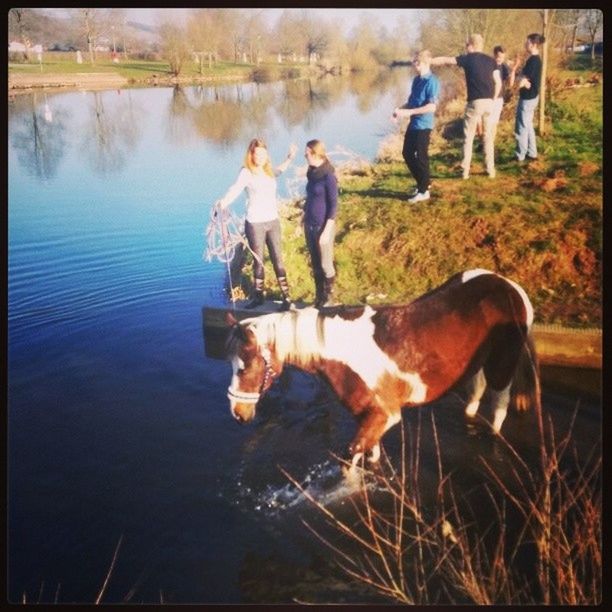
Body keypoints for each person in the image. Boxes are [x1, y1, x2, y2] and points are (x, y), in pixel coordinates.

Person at [217, 138, 297, 310]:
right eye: (257, 153)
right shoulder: (246, 172)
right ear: (251, 155)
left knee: (278, 260)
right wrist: (222, 203)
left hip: (273, 221)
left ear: (266, 154)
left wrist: (289, 158)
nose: (260, 156)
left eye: (263, 153)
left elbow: (280, 170)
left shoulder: (269, 171)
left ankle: (287, 298)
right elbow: (235, 189)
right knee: (258, 261)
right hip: (255, 223)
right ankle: (258, 297)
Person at [431, 33, 501, 179]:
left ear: (471, 45)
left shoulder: (467, 59)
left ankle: (465, 171)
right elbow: (498, 82)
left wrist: (430, 61)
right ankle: (490, 170)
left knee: (468, 137)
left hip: (474, 102)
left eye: (467, 45)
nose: (465, 47)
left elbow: (446, 60)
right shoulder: (491, 60)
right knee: (488, 137)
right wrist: (493, 99)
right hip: (489, 102)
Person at [393, 49, 440, 203]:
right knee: (406, 153)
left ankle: (424, 191)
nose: (414, 65)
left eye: (417, 62)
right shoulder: (416, 80)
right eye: (414, 62)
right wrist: (399, 110)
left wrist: (410, 112)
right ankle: (424, 183)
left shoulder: (432, 81)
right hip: (413, 124)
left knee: (421, 157)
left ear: (425, 63)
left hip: (424, 125)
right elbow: (411, 102)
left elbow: (432, 107)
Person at [303, 139, 338, 308]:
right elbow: (310, 198)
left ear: (315, 153)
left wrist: (326, 231)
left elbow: (333, 205)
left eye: (307, 153)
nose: (305, 156)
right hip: (309, 224)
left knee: (325, 264)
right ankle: (319, 298)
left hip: (323, 226)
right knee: (315, 264)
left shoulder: (328, 176)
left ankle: (329, 298)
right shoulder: (311, 173)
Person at [510, 33, 545, 162]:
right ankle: (532, 153)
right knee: (528, 125)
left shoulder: (534, 61)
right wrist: (521, 78)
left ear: (534, 44)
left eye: (528, 42)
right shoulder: (533, 59)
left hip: (527, 99)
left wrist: (518, 83)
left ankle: (520, 155)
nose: (525, 44)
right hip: (531, 97)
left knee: (521, 127)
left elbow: (523, 80)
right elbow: (524, 78)